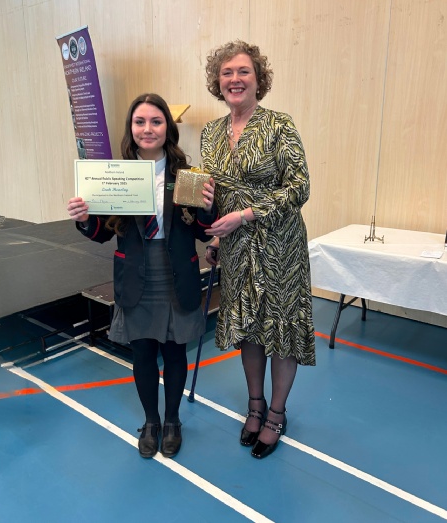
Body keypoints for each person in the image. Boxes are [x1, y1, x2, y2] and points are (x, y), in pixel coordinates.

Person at [67, 93, 216, 459]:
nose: (147, 129)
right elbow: (100, 232)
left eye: (156, 121)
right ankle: (151, 421)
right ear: (131, 128)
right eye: (140, 122)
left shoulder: (188, 176)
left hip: (175, 273)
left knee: (175, 351)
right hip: (136, 275)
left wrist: (209, 209)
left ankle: (173, 421)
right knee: (143, 353)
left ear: (168, 127)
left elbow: (202, 231)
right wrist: (84, 218)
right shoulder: (114, 175)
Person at [200, 41, 315, 460]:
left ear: (258, 79)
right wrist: (217, 235)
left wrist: (245, 215)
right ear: (218, 81)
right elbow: (216, 193)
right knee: (248, 326)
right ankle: (255, 405)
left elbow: (299, 186)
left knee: (281, 328)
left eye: (243, 71)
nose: (235, 79)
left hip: (279, 244)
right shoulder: (210, 133)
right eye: (227, 72)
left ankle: (276, 414)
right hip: (234, 246)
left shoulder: (279, 125)